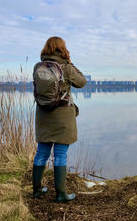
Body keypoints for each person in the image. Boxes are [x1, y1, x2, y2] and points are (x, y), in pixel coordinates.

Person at [32, 36, 87, 202]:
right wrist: (69, 62)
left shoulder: (37, 67)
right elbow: (82, 82)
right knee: (60, 154)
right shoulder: (66, 68)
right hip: (62, 115)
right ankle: (61, 194)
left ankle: (37, 191)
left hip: (43, 115)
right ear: (62, 49)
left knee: (42, 152)